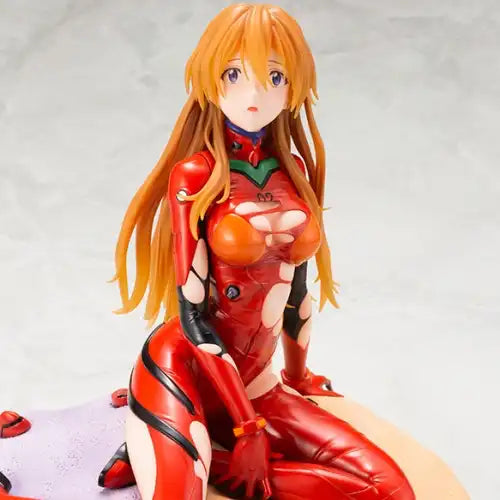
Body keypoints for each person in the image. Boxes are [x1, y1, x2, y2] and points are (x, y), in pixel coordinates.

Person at [104, 4, 416, 499]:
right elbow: (193, 316)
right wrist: (248, 428)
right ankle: (176, 442)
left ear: (295, 87)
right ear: (209, 80)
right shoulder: (195, 175)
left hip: (256, 381)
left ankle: (202, 457)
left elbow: (296, 291)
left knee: (391, 489)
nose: (254, 95)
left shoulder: (293, 169)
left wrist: (299, 376)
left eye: (275, 76)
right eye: (234, 74)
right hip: (185, 367)